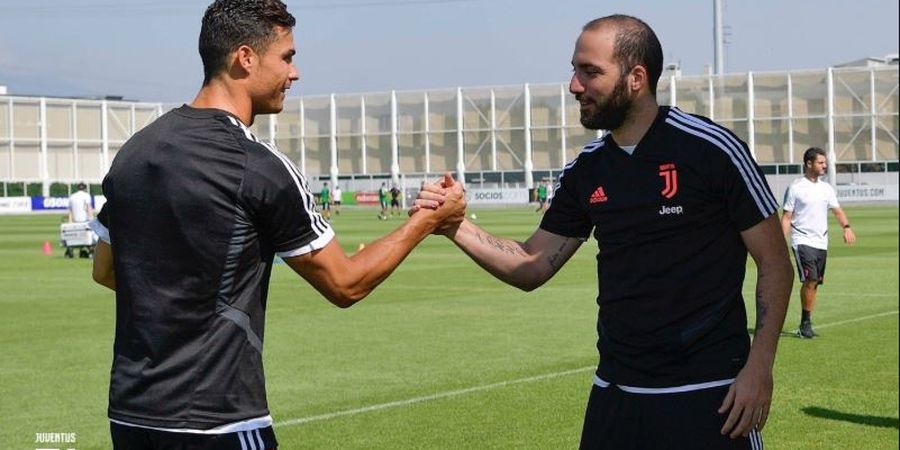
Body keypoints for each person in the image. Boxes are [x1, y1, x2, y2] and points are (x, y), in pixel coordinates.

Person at [88, 1, 465, 448]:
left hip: (132, 418)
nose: (296, 72)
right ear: (245, 58)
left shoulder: (134, 153)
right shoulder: (257, 166)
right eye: (286, 57)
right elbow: (345, 284)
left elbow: (106, 271)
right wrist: (427, 221)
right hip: (220, 423)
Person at [415, 14, 792, 450]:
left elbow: (775, 264)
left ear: (636, 78)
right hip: (615, 394)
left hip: (709, 393)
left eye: (590, 72)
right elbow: (532, 265)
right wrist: (453, 225)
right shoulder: (587, 169)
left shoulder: (712, 150)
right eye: (574, 70)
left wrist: (760, 366)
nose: (574, 85)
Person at [781, 147, 856, 339]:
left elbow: (837, 210)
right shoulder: (796, 187)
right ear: (808, 164)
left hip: (821, 241)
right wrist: (780, 243)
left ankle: (806, 322)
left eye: (825, 162)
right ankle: (805, 325)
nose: (825, 166)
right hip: (802, 240)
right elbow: (787, 217)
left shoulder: (826, 188)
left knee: (814, 284)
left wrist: (846, 227)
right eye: (821, 162)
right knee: (810, 279)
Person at [66, 182, 95, 258]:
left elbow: (70, 212)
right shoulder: (86, 196)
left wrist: (70, 223)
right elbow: (89, 208)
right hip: (84, 222)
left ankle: (70, 250)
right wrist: (92, 219)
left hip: (75, 222)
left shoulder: (72, 197)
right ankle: (91, 250)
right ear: (85, 189)